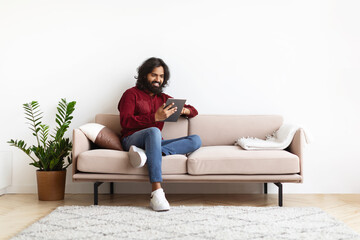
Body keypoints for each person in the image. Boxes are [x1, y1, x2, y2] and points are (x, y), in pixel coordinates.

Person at [118, 57, 202, 212]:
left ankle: (148, 152)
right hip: (131, 140)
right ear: (144, 75)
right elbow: (125, 121)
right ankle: (156, 192)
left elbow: (194, 111)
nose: (158, 79)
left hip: (153, 143)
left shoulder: (163, 99)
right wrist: (154, 117)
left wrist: (184, 110)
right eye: (154, 75)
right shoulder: (130, 94)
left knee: (196, 140)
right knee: (154, 130)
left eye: (161, 76)